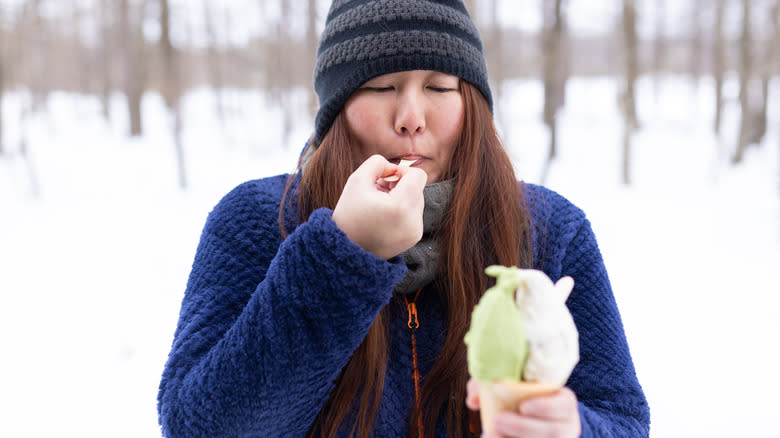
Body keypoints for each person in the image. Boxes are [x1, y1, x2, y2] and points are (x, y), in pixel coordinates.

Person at [157, 1, 650, 437]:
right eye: (380, 85)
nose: (411, 116)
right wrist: (343, 254)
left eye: (438, 86)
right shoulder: (257, 220)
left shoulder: (548, 228)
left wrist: (575, 429)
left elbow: (624, 419)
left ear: (471, 104)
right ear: (337, 110)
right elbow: (199, 425)